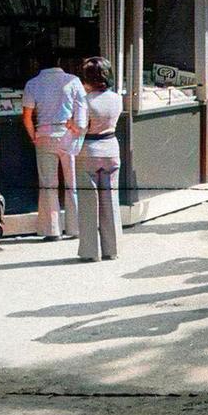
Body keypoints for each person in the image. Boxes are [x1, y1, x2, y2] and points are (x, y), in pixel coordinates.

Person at [22, 45, 87, 240]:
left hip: (44, 134)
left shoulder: (32, 84)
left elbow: (26, 116)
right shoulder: (73, 81)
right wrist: (77, 130)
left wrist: (34, 135)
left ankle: (52, 230)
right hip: (68, 134)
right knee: (72, 183)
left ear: (38, 63)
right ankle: (75, 228)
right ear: (59, 62)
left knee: (48, 184)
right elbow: (82, 111)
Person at [76, 57, 124, 263]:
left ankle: (90, 251)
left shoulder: (85, 102)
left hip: (89, 150)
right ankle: (111, 249)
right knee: (110, 200)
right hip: (111, 148)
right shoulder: (116, 98)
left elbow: (80, 127)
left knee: (89, 203)